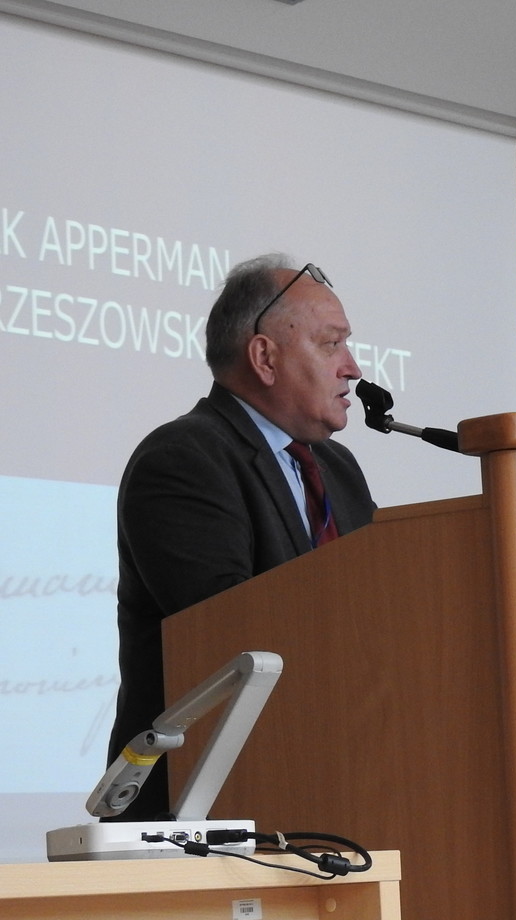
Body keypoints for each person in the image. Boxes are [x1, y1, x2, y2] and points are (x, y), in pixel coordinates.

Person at [107, 255, 376, 820]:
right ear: (264, 357)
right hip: (206, 797)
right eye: (332, 344)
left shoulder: (339, 470)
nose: (352, 368)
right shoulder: (184, 458)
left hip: (336, 773)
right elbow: (225, 631)